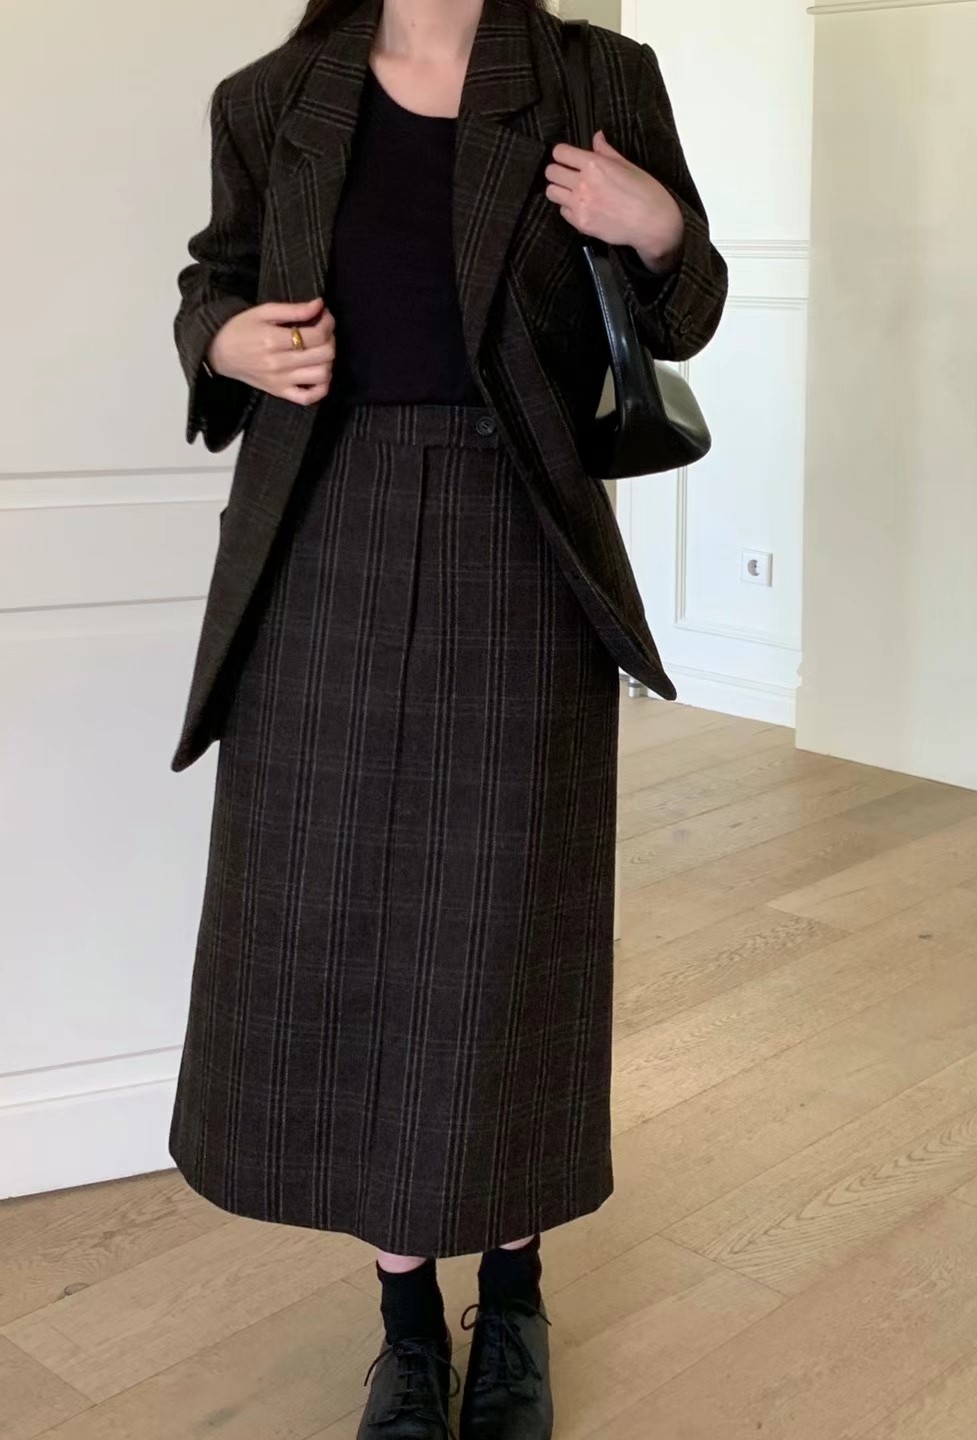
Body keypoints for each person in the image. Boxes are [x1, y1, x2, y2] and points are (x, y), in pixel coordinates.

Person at [169, 0, 726, 1435]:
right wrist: (229, 343)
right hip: (321, 540)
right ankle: (407, 1326)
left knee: (506, 936)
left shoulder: (598, 75)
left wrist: (659, 227)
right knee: (343, 926)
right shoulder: (270, 97)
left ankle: (515, 1302)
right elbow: (213, 281)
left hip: (519, 538)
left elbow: (685, 315)